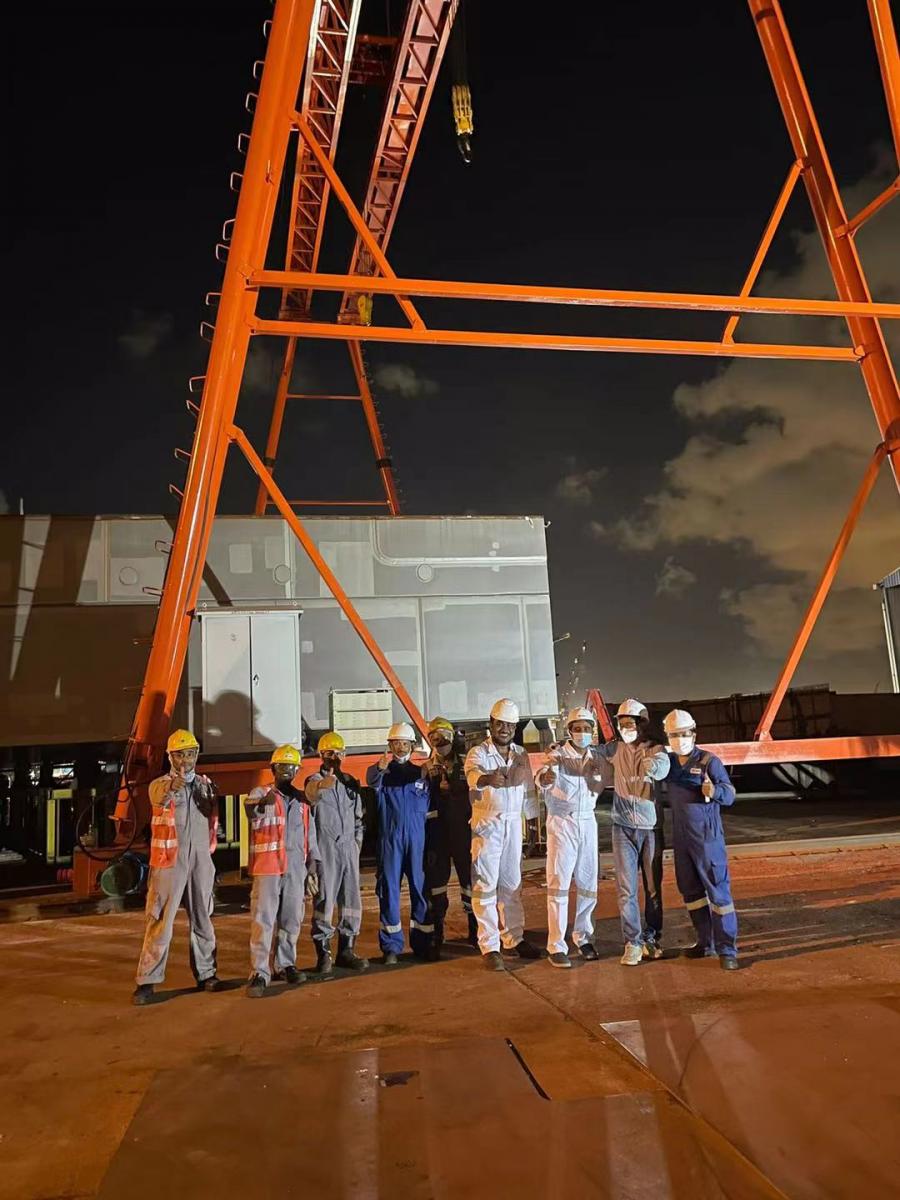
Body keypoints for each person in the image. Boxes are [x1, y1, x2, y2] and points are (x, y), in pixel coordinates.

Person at [132, 729, 222, 1005]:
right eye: (181, 754)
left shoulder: (205, 786)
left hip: (200, 861)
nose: (186, 760)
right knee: (161, 922)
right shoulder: (159, 785)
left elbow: (211, 817)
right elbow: (159, 798)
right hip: (169, 862)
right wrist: (176, 784)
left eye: (191, 754)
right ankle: (147, 981)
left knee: (203, 919)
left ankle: (207, 974)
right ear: (171, 757)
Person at [464, 698, 542, 971]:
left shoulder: (521, 755)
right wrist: (487, 779)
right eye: (500, 724)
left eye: (510, 725)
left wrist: (532, 826)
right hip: (488, 827)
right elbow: (472, 774)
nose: (505, 729)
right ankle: (489, 945)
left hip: (512, 827)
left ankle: (514, 938)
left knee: (511, 884)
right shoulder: (479, 752)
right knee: (485, 886)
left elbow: (529, 791)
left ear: (515, 727)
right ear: (491, 724)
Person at [595, 699, 670, 966]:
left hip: (650, 829)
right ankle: (633, 942)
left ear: (642, 724)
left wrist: (654, 768)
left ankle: (652, 937)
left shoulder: (655, 749)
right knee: (626, 889)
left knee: (652, 889)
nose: (625, 727)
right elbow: (590, 752)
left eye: (630, 723)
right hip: (622, 828)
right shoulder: (614, 749)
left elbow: (663, 766)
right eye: (622, 723)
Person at [663, 709, 739, 970]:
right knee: (691, 892)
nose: (679, 739)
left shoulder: (709, 761)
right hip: (682, 840)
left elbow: (729, 794)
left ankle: (727, 949)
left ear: (693, 733)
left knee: (718, 892)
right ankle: (704, 942)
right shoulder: (669, 764)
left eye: (683, 734)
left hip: (708, 839)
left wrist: (715, 790)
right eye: (674, 735)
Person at [245, 744, 320, 998]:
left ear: (297, 770)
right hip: (268, 868)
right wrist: (258, 803)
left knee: (291, 918)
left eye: (291, 767)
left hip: (295, 868)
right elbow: (252, 811)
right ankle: (259, 972)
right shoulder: (262, 792)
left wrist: (313, 862)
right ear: (273, 769)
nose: (287, 771)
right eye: (282, 767)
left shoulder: (301, 801)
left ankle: (285, 964)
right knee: (264, 920)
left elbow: (309, 834)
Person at [536, 707, 602, 968]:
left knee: (588, 883)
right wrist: (545, 778)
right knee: (559, 883)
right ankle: (556, 944)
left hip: (587, 822)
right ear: (569, 731)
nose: (582, 733)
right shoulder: (557, 755)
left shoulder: (595, 757)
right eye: (578, 728)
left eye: (587, 728)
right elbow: (542, 777)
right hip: (562, 822)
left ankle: (584, 937)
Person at [366, 722, 432, 964]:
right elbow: (371, 780)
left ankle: (423, 943)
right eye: (396, 743)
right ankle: (392, 947)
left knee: (420, 889)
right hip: (391, 841)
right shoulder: (383, 773)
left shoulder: (420, 774)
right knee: (389, 891)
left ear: (412, 746)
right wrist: (379, 768)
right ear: (389, 745)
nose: (401, 747)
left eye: (405, 743)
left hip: (417, 842)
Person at [306, 732, 369, 975]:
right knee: (325, 899)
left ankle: (347, 949)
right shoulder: (313, 780)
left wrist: (356, 844)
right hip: (326, 850)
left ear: (344, 755)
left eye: (338, 753)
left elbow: (358, 818)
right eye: (329, 753)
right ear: (321, 755)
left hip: (348, 850)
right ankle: (323, 953)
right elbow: (310, 796)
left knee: (352, 899)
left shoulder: (350, 783)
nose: (334, 757)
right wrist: (323, 785)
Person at [423, 717, 477, 956]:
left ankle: (476, 930)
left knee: (471, 881)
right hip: (437, 833)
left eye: (443, 733)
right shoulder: (426, 768)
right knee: (436, 883)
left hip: (464, 831)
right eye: (434, 734)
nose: (439, 738)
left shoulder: (468, 764)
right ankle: (437, 932)